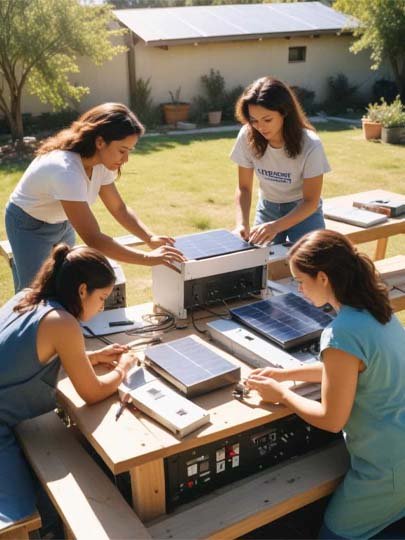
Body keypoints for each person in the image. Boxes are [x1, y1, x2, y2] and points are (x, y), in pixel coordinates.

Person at [246, 230, 405, 540]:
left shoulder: (340, 333)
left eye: (300, 281)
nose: (299, 289)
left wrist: (282, 395)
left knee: (334, 534)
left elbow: (332, 420)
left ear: (323, 278)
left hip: (388, 471)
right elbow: (352, 368)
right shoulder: (377, 310)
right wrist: (286, 374)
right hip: (398, 454)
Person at [0, 243, 137, 530]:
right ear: (82, 290)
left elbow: (29, 355)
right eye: (101, 298)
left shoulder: (28, 297)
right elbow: (92, 392)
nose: (101, 308)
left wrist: (91, 357)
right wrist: (124, 368)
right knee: (25, 515)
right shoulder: (62, 323)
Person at [5, 102, 185, 293]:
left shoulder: (101, 163)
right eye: (122, 150)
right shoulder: (65, 170)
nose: (125, 159)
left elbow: (119, 209)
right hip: (28, 224)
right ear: (100, 142)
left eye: (129, 151)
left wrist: (149, 237)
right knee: (34, 294)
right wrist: (148, 259)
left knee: (62, 285)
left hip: (63, 222)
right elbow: (94, 238)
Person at [230, 76, 330, 246]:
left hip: (303, 210)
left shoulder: (311, 144)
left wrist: (275, 227)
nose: (260, 127)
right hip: (268, 208)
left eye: (267, 119)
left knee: (311, 262)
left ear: (284, 112)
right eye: (253, 120)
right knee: (258, 264)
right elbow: (244, 188)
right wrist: (241, 223)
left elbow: (311, 201)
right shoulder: (247, 136)